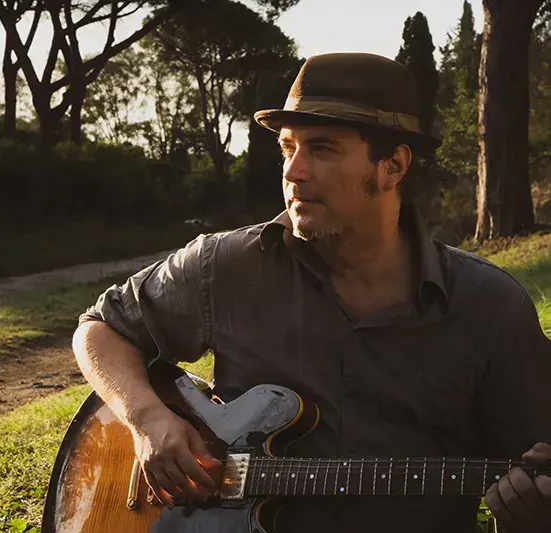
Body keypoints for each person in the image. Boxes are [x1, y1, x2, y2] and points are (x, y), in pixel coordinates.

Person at [72, 53, 551, 532]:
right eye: (287, 148)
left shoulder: (490, 307)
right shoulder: (227, 265)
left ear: (393, 166)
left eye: (322, 149)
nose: (294, 171)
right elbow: (100, 329)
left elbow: (534, 467)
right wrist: (148, 419)